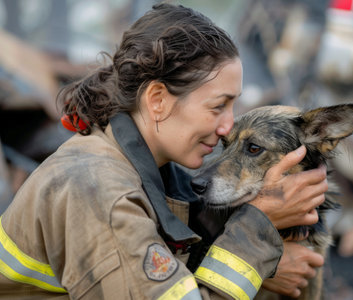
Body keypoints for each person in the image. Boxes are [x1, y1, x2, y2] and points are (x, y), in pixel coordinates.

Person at [0, 4, 328, 299]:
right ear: (157, 99)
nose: (228, 126)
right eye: (218, 106)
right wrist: (256, 241)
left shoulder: (149, 170)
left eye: (234, 105)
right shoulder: (100, 191)